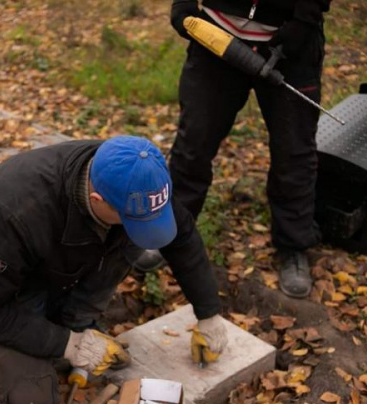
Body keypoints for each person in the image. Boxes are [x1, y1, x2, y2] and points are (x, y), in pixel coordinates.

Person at [0, 136, 229, 404]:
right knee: (31, 401)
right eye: (131, 218)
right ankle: (32, 337)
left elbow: (182, 238)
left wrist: (208, 312)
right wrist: (69, 345)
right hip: (17, 295)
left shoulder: (136, 176)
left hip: (68, 270)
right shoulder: (15, 211)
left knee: (130, 236)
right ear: (97, 200)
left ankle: (77, 321)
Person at [138, 0, 331, 298]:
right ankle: (169, 232)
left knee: (294, 153)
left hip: (291, 42)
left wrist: (305, 20)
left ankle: (293, 246)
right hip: (216, 35)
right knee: (194, 143)